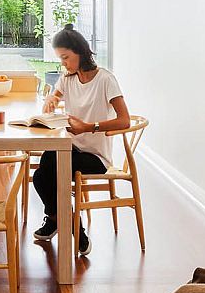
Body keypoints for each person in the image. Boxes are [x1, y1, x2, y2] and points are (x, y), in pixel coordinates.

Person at [32, 24, 131, 256]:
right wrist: (51, 99)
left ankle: (72, 229)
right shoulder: (68, 79)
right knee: (40, 175)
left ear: (80, 52)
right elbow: (56, 93)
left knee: (52, 172)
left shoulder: (106, 79)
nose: (64, 63)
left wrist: (89, 127)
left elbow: (124, 120)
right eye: (60, 59)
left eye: (66, 57)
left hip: (96, 156)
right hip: (70, 147)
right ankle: (63, 221)